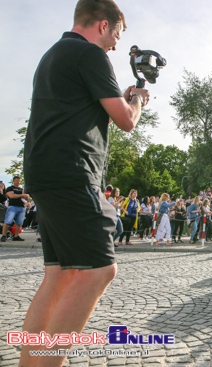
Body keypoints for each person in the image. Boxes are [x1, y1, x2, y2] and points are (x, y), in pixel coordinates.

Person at [20, 0, 149, 364]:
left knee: (60, 275)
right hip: (73, 171)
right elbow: (125, 120)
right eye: (117, 35)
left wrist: (121, 99)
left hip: (44, 171)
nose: (117, 45)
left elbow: (88, 108)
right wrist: (137, 100)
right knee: (100, 270)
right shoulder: (91, 55)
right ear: (103, 25)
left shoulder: (53, 54)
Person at [1, 176, 29, 242]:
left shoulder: (22, 189)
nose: (18, 182)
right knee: (8, 221)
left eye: (19, 181)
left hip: (22, 207)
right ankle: (3, 235)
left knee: (19, 222)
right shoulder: (10, 188)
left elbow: (27, 198)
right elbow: (11, 196)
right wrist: (22, 195)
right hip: (13, 207)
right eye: (16, 180)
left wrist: (25, 197)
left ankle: (16, 236)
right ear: (13, 181)